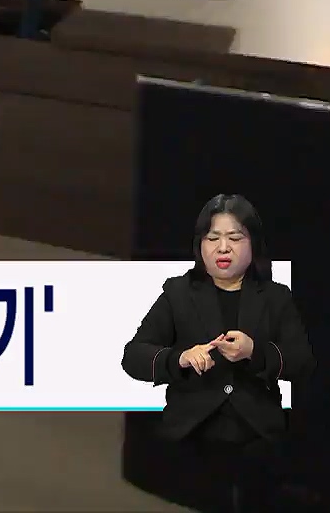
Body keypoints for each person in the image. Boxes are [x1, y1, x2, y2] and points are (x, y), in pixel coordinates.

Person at [122, 194, 314, 512]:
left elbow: (302, 362)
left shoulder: (276, 298)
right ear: (200, 245)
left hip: (257, 435)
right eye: (213, 238)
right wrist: (179, 358)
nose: (223, 248)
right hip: (191, 434)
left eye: (234, 238)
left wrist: (255, 353)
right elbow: (133, 356)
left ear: (253, 245)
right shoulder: (177, 294)